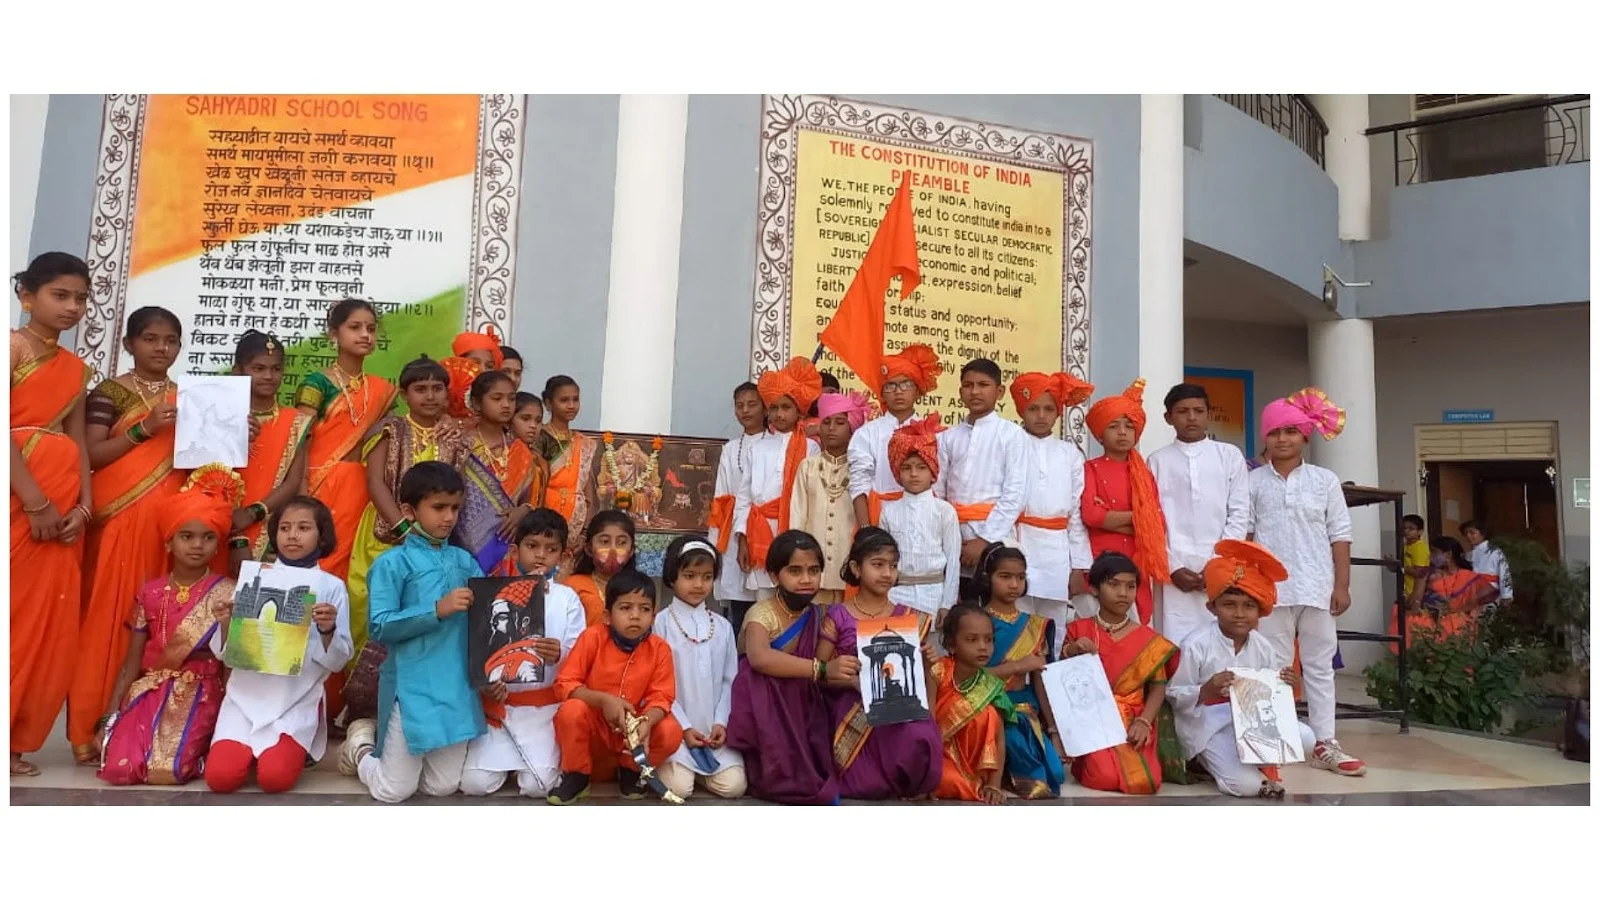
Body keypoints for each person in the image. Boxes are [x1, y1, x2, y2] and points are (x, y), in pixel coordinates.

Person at [71, 306, 188, 766]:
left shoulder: (186, 396)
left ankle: (147, 726)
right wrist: (145, 429)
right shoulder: (110, 392)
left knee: (164, 625)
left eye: (171, 340)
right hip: (120, 523)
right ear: (129, 344)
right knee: (109, 622)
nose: (162, 348)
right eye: (151, 339)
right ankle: (89, 727)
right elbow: (91, 454)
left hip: (172, 529)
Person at [338, 462, 486, 803]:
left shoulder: (465, 561)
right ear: (409, 510)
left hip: (456, 686)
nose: (448, 517)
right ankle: (360, 750)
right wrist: (437, 610)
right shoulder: (392, 564)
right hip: (412, 687)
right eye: (439, 507)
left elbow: (487, 615)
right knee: (393, 791)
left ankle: (390, 759)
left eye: (455, 508)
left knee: (441, 786)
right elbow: (379, 626)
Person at [342, 356, 471, 722]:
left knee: (422, 610)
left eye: (437, 388)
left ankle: (405, 702)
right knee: (368, 611)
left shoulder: (455, 437)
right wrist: (403, 527)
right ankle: (359, 707)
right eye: (420, 389)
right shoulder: (390, 430)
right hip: (384, 535)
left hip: (432, 543)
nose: (429, 396)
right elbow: (375, 483)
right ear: (403, 394)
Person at [98, 467, 242, 785]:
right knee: (120, 769)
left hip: (203, 692)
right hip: (151, 690)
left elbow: (233, 664)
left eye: (208, 537)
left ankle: (203, 754)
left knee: (168, 772)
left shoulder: (229, 593)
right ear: (169, 542)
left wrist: (230, 717)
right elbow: (132, 661)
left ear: (217, 544)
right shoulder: (150, 593)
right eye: (186, 536)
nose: (197, 545)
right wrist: (110, 716)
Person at [1249, 387, 1365, 777]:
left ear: (1305, 437)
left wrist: (1342, 585)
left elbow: (1340, 534)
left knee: (1319, 666)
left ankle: (1325, 743)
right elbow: (1246, 535)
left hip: (1317, 586)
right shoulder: (1253, 483)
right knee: (1274, 665)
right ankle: (1276, 740)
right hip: (1270, 590)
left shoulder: (1324, 480)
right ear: (1264, 437)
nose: (1282, 439)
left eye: (1290, 432)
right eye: (1274, 432)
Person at [10, 252, 94, 776]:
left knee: (47, 627)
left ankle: (15, 741)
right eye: (59, 295)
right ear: (27, 297)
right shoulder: (12, 347)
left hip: (63, 511)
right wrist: (34, 501)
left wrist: (84, 505)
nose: (72, 306)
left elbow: (77, 441)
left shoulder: (75, 369)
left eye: (80, 298)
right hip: (22, 502)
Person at [206, 497, 352, 794]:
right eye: (285, 528)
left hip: (294, 701)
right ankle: (247, 748)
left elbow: (338, 661)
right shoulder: (256, 577)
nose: (292, 535)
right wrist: (225, 622)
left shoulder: (331, 587)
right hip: (244, 699)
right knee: (220, 779)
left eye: (303, 528)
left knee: (275, 779)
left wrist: (328, 629)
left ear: (322, 535)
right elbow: (225, 653)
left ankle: (286, 751)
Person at [1168, 539, 1315, 799]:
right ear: (1212, 607)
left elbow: (1272, 699)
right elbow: (1173, 695)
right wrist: (1204, 691)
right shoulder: (1195, 645)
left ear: (1260, 611)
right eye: (1229, 605)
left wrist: (1288, 685)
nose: (1239, 614)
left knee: (1306, 739)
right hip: (1208, 726)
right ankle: (1205, 760)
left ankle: (1247, 758)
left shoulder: (1263, 646)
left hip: (1251, 723)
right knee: (1247, 787)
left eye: (1248, 606)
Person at [461, 510, 588, 799]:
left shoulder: (567, 599)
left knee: (537, 787)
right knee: (474, 784)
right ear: (515, 551)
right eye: (532, 546)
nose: (541, 555)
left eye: (551, 549)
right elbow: (480, 650)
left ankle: (526, 767)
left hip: (544, 710)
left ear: (562, 556)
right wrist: (486, 684)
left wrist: (560, 653)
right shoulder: (492, 596)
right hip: (500, 707)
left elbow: (580, 657)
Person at [817, 527, 943, 799]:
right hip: (851, 704)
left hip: (899, 702)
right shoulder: (838, 615)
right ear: (856, 568)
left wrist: (927, 664)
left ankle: (914, 782)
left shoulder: (909, 619)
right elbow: (819, 674)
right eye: (878, 565)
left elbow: (918, 681)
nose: (887, 573)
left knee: (919, 731)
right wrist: (851, 680)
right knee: (867, 786)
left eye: (893, 566)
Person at [725, 530, 843, 804]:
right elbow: (760, 658)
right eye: (795, 571)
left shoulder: (820, 614)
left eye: (814, 570)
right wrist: (821, 670)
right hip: (765, 709)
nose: (806, 579)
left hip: (806, 708)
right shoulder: (761, 614)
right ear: (775, 576)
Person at [549, 570, 684, 804]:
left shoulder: (659, 649)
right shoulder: (592, 638)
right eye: (625, 608)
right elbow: (565, 684)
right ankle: (577, 776)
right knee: (571, 711)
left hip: (633, 730)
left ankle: (631, 770)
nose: (635, 616)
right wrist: (604, 700)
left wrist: (646, 722)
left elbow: (662, 697)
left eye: (644, 609)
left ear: (653, 616)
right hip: (595, 728)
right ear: (607, 616)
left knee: (671, 730)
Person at [296, 298, 398, 582]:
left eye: (371, 329)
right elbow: (299, 441)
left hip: (363, 491)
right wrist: (301, 491)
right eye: (355, 327)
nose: (365, 335)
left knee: (352, 567)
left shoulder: (382, 392)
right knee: (317, 561)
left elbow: (390, 442)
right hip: (318, 486)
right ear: (334, 333)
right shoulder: (316, 384)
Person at [1061, 551, 1180, 794]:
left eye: (1130, 586)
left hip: (1133, 720)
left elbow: (1158, 688)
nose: (1123, 593)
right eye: (1113, 585)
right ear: (1094, 589)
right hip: (1092, 718)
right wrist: (1073, 650)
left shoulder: (1149, 640)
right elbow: (1062, 677)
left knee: (1146, 782)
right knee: (1103, 777)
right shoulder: (1078, 629)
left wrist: (1144, 722)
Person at [1148, 382, 1250, 644]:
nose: (1191, 418)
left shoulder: (1229, 455)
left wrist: (1217, 564)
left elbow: (1239, 514)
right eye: (1183, 412)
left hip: (1221, 565)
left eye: (1198, 411)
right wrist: (1172, 567)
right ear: (1168, 417)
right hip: (1173, 571)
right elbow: (1151, 521)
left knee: (1221, 641)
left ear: (1209, 414)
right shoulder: (1157, 460)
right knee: (1174, 643)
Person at [652, 536, 747, 799]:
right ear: (673, 577)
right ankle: (682, 766)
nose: (698, 584)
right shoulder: (660, 623)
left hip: (713, 730)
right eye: (689, 576)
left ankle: (701, 767)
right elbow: (658, 685)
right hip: (676, 727)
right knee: (680, 789)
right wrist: (683, 727)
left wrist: (721, 722)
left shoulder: (722, 627)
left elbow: (730, 680)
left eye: (706, 577)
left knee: (734, 787)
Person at [1010, 371, 1095, 648]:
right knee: (1016, 620)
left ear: (1058, 412)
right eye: (1033, 408)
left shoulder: (1069, 454)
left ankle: (1052, 671)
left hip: (1056, 551)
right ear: (1021, 410)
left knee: (1054, 625)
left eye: (1048, 409)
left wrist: (1078, 566)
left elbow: (1075, 513)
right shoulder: (1011, 446)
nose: (1041, 416)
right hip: (1019, 541)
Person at [974, 543, 1063, 799]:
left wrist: (1053, 730)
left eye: (1020, 577)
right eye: (1005, 577)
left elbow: (1039, 681)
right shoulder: (976, 621)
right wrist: (1019, 666)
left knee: (1055, 775)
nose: (1014, 584)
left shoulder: (1035, 625)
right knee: (1034, 782)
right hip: (987, 706)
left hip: (1024, 708)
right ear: (988, 578)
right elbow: (970, 677)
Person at [1082, 378, 1169, 625]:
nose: (1122, 432)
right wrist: (1140, 518)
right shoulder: (1090, 469)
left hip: (1137, 561)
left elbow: (1157, 524)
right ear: (1100, 435)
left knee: (1136, 629)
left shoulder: (1144, 474)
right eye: (1114, 426)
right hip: (1101, 560)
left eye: (1129, 426)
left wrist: (1110, 516)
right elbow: (1091, 515)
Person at [735, 357, 822, 600]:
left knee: (795, 595)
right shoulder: (757, 447)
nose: (779, 414)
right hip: (759, 532)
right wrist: (742, 539)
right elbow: (744, 498)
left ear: (799, 411)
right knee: (764, 599)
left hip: (795, 529)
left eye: (786, 407)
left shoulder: (811, 448)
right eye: (774, 408)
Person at [938, 359, 1030, 576]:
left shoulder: (1012, 435)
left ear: (999, 392)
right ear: (960, 392)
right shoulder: (947, 437)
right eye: (968, 385)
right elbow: (939, 491)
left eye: (983, 385)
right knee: (957, 593)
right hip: (953, 536)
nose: (975, 391)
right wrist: (948, 535)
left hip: (996, 537)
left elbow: (1016, 494)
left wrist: (984, 540)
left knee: (994, 592)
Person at [230, 330, 313, 566]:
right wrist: (235, 533)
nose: (268, 376)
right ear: (238, 372)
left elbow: (293, 482)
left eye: (276, 369)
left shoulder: (296, 421)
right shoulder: (220, 417)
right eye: (258, 368)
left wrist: (253, 513)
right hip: (218, 524)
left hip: (269, 526)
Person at [847, 344, 943, 527]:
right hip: (878, 518)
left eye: (906, 384)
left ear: (918, 391)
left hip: (924, 519)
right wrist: (866, 530)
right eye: (891, 385)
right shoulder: (866, 434)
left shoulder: (931, 431)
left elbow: (940, 485)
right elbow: (859, 484)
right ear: (882, 393)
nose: (898, 391)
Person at [879, 414, 961, 621]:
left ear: (933, 472)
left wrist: (948, 604)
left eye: (921, 467)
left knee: (933, 642)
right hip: (896, 596)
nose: (914, 474)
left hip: (935, 595)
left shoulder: (944, 511)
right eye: (906, 468)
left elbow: (953, 561)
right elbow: (882, 559)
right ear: (898, 473)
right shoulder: (889, 511)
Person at [790, 391, 869, 605]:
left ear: (852, 428)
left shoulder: (861, 468)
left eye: (840, 422)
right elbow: (797, 515)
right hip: (813, 565)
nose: (831, 428)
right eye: (826, 422)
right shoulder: (808, 466)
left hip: (849, 561)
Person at [457, 370, 539, 574]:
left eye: (511, 399)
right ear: (476, 403)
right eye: (497, 398)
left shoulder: (521, 451)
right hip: (462, 544)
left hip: (508, 545)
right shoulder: (461, 444)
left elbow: (530, 501)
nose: (506, 405)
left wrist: (523, 511)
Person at [930, 605, 1010, 804]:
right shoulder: (937, 672)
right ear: (951, 645)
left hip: (974, 769)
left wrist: (994, 785)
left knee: (989, 713)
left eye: (989, 639)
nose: (983, 647)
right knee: (943, 780)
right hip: (938, 757)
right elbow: (926, 724)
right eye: (972, 640)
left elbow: (999, 740)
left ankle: (978, 783)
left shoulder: (991, 686)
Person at [709, 381, 765, 627]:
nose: (745, 410)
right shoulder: (731, 449)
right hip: (732, 530)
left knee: (762, 598)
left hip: (764, 527)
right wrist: (717, 541)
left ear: (765, 408)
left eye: (752, 404)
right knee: (738, 604)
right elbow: (721, 496)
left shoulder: (774, 443)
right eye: (740, 405)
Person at [1403, 536, 1500, 641]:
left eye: (1434, 552)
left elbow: (1486, 596)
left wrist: (1468, 611)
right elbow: (1415, 601)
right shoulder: (1428, 574)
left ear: (1448, 554)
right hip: (1430, 624)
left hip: (1460, 626)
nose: (1430, 556)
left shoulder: (1468, 576)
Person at [536, 375, 587, 551]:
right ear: (548, 404)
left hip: (576, 522)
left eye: (575, 399)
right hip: (546, 517)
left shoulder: (583, 443)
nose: (571, 405)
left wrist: (585, 532)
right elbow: (536, 483)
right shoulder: (539, 437)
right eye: (564, 400)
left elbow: (587, 491)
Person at [562, 509, 637, 628]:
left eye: (622, 542)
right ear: (589, 548)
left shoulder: (639, 588)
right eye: (605, 541)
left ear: (631, 551)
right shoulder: (573, 586)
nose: (613, 549)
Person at [1461, 520, 1514, 607]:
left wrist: (1506, 595)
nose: (1468, 536)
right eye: (1466, 533)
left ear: (1483, 534)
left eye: (1472, 533)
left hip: (1491, 591)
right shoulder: (1468, 555)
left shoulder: (1495, 552)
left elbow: (1504, 573)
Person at [1402, 514, 1431, 602]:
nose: (1406, 531)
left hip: (1414, 594)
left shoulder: (1419, 547)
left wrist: (1401, 566)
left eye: (1411, 529)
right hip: (1406, 591)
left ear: (1420, 532)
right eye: (1404, 528)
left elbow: (1420, 573)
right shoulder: (1406, 546)